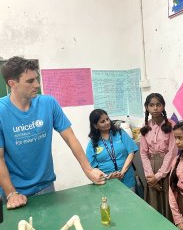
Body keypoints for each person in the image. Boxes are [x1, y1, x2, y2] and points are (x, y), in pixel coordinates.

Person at [0, 57, 105, 210]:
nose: (37, 85)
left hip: (45, 186)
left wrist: (88, 170)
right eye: (30, 81)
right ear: (12, 83)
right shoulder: (1, 111)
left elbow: (70, 138)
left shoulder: (48, 103)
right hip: (14, 192)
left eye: (36, 79)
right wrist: (11, 194)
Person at [140, 93, 177, 220]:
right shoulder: (145, 127)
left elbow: (172, 152)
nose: (155, 108)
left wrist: (158, 176)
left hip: (167, 168)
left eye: (158, 105)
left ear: (163, 106)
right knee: (154, 203)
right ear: (146, 107)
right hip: (150, 168)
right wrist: (150, 177)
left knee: (168, 201)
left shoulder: (171, 125)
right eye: (151, 105)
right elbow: (144, 153)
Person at [86, 109, 138, 191]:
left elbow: (131, 152)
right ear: (96, 126)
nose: (107, 122)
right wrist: (107, 176)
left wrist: (122, 172)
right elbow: (92, 168)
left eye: (107, 119)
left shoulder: (120, 133)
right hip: (106, 183)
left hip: (127, 179)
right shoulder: (93, 143)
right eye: (102, 121)